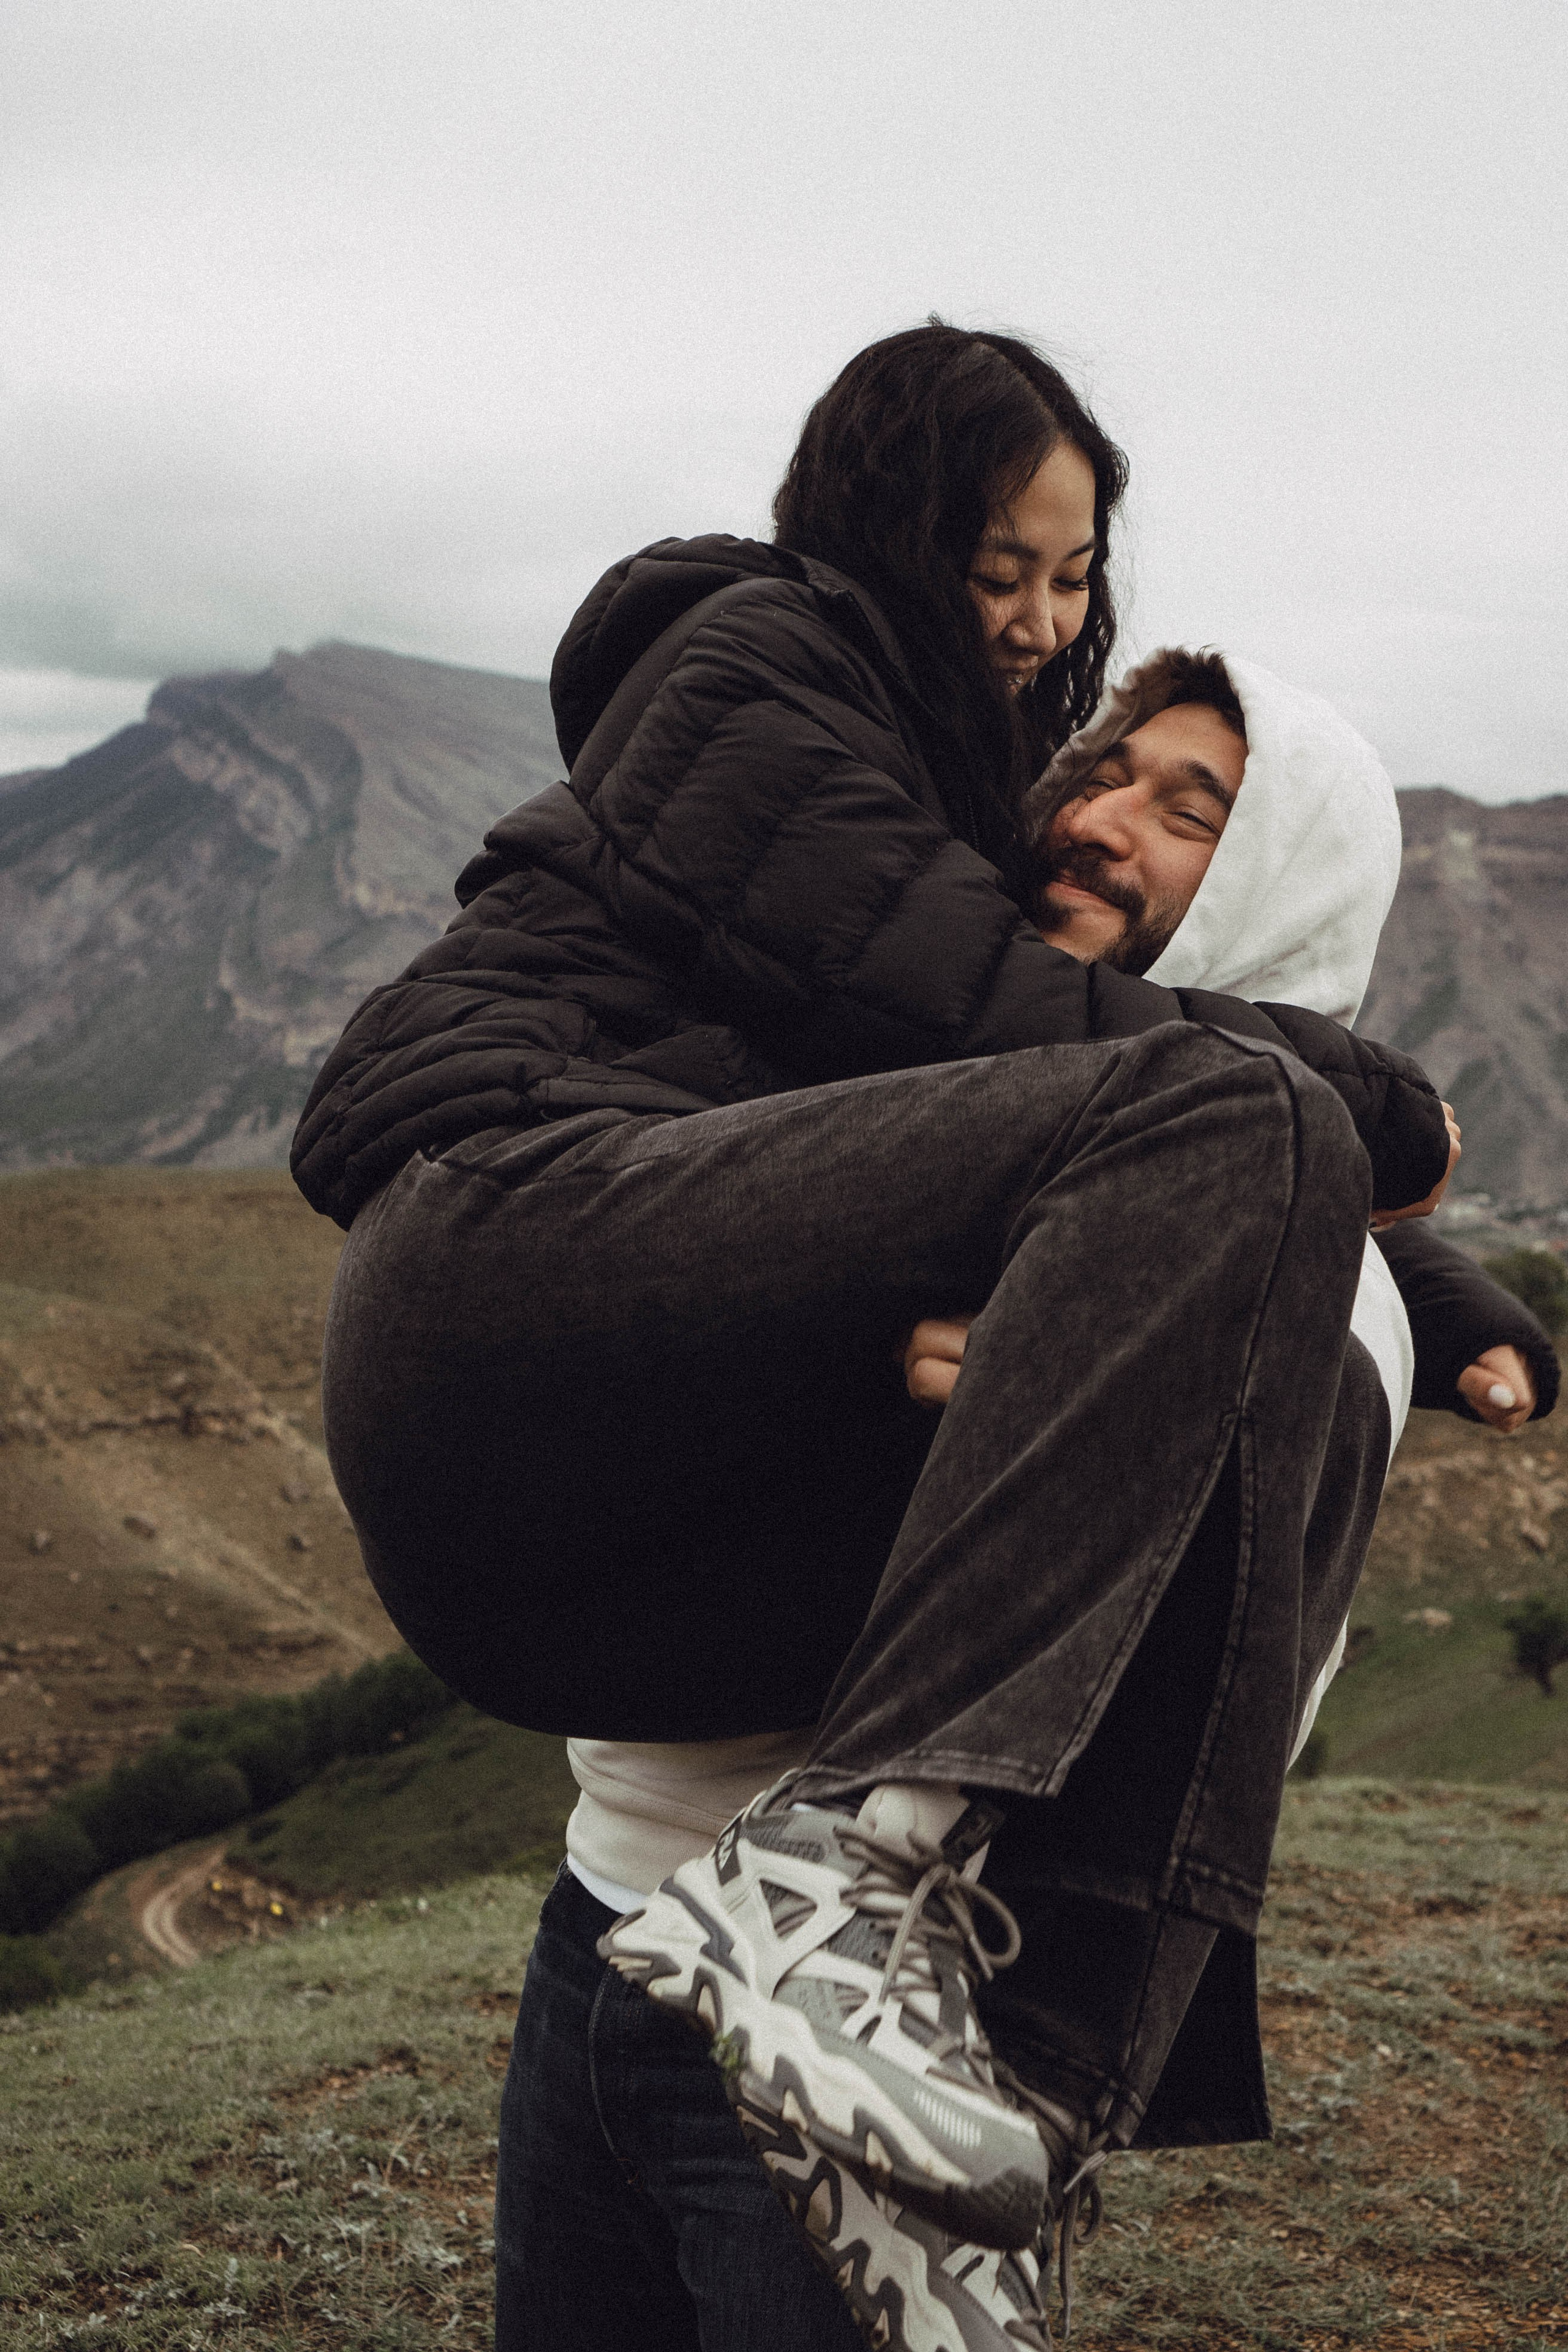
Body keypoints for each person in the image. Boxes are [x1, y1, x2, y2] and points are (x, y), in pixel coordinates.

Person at [292, 322, 1479, 2348]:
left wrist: (1383, 1288)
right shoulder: (898, 999)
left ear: (1279, 891)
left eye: (1192, 812)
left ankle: (860, 1887)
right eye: (1104, 765)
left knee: (1238, 1123)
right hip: (622, 1927)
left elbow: (1214, 1695)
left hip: (883, 2057)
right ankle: (822, 1892)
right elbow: (921, 1024)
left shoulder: (1279, 1246)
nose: (1089, 783)